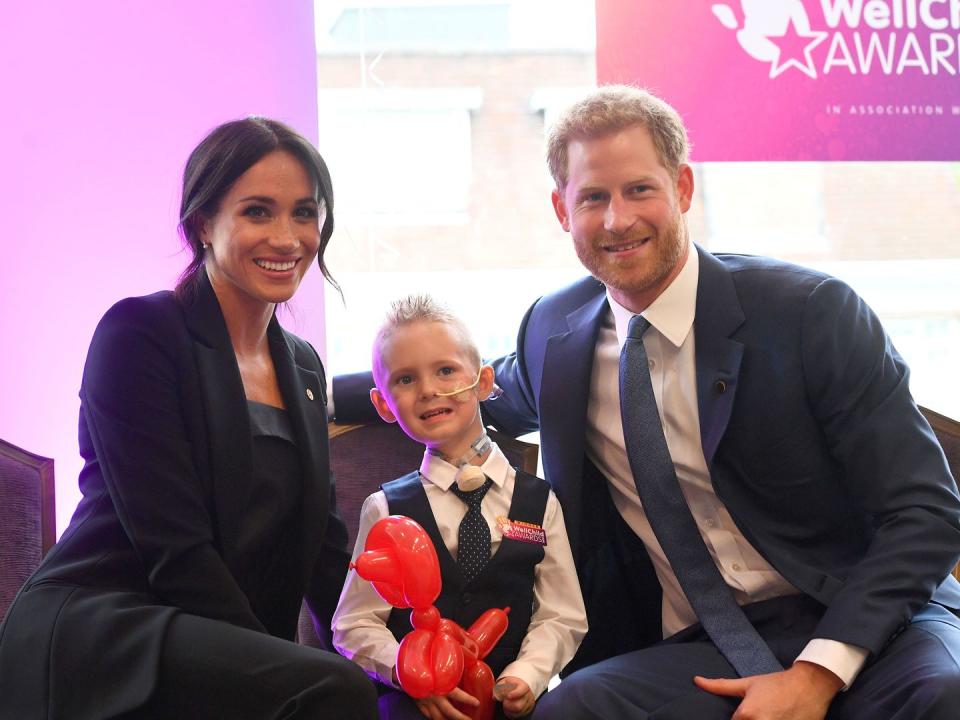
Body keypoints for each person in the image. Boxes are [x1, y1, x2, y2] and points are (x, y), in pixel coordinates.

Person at [333, 86, 960, 719]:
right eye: (593, 198)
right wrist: (298, 387)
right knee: (570, 712)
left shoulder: (810, 314)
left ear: (683, 188)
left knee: (944, 695)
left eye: (639, 190)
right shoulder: (557, 335)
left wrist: (818, 672)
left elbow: (926, 511)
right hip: (697, 647)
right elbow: (463, 383)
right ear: (561, 209)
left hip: (866, 620)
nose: (617, 220)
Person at [0, 118, 378, 719]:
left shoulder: (303, 367)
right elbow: (174, 548)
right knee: (332, 691)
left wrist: (389, 657)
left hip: (212, 636)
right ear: (203, 223)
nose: (287, 237)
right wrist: (282, 665)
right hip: (109, 626)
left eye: (305, 213)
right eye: (258, 212)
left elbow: (324, 546)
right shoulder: (140, 334)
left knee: (374, 689)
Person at [333, 294, 587, 720]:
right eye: (406, 380)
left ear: (484, 382)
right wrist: (410, 673)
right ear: (383, 406)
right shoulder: (385, 508)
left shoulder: (540, 501)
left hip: (513, 703)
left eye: (446, 370)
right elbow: (354, 624)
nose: (429, 389)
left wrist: (528, 674)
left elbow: (562, 615)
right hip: (418, 706)